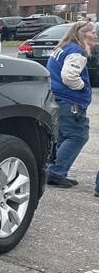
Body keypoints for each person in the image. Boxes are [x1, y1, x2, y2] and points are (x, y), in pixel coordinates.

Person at [45, 20, 95, 188]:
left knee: (62, 136)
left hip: (56, 98)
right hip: (70, 100)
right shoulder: (77, 51)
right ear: (82, 34)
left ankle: (53, 169)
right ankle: (57, 172)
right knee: (77, 135)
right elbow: (69, 76)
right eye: (92, 32)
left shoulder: (62, 48)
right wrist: (83, 89)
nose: (94, 35)